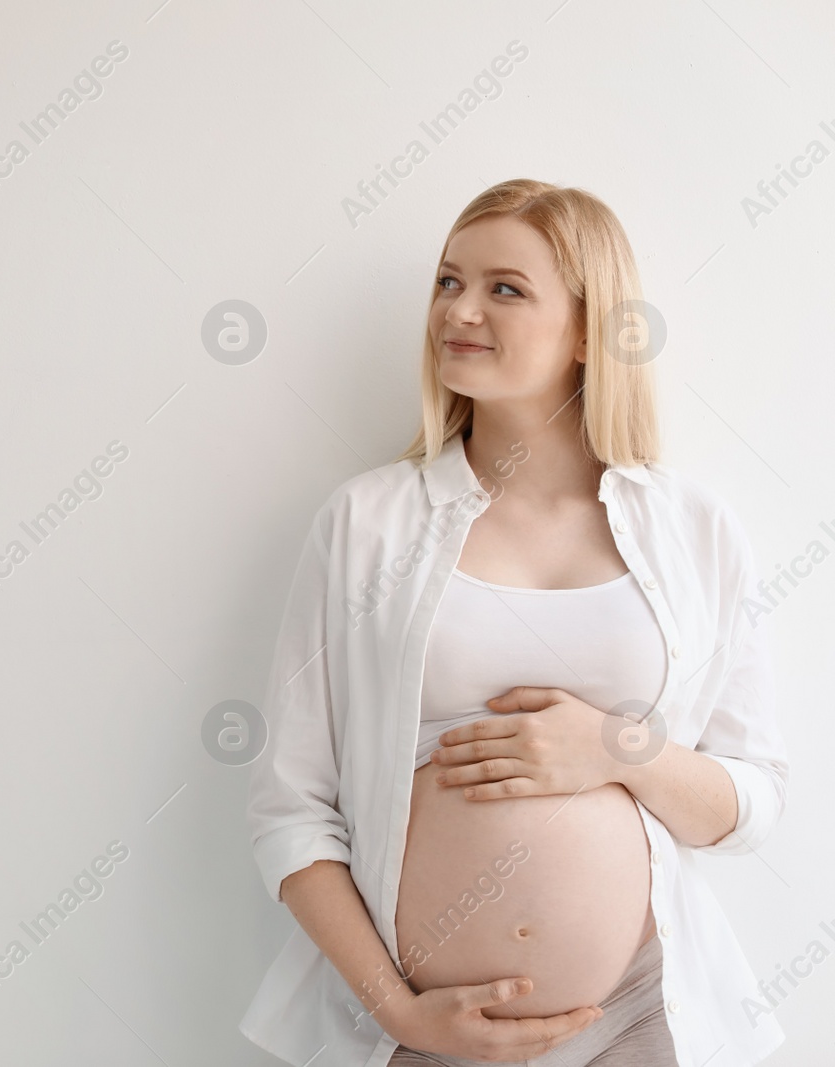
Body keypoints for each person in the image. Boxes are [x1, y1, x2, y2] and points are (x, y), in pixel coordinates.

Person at [240, 179, 791, 1067]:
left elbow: (752, 802)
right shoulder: (366, 522)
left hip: (642, 1015)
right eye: (449, 281)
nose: (458, 310)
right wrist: (403, 1016)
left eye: (505, 288)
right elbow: (290, 811)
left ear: (588, 330)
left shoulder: (695, 530)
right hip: (428, 1027)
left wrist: (621, 749)